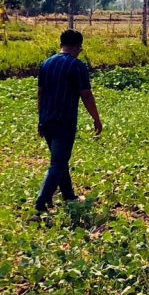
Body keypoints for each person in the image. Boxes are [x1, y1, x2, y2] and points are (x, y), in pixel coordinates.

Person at [35, 29, 102, 213]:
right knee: (58, 163)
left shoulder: (46, 64)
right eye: (80, 47)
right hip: (64, 121)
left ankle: (68, 196)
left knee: (60, 160)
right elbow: (86, 95)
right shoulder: (77, 66)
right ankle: (41, 202)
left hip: (47, 119)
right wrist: (96, 119)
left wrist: (40, 119)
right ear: (77, 46)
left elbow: (40, 94)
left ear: (61, 44)